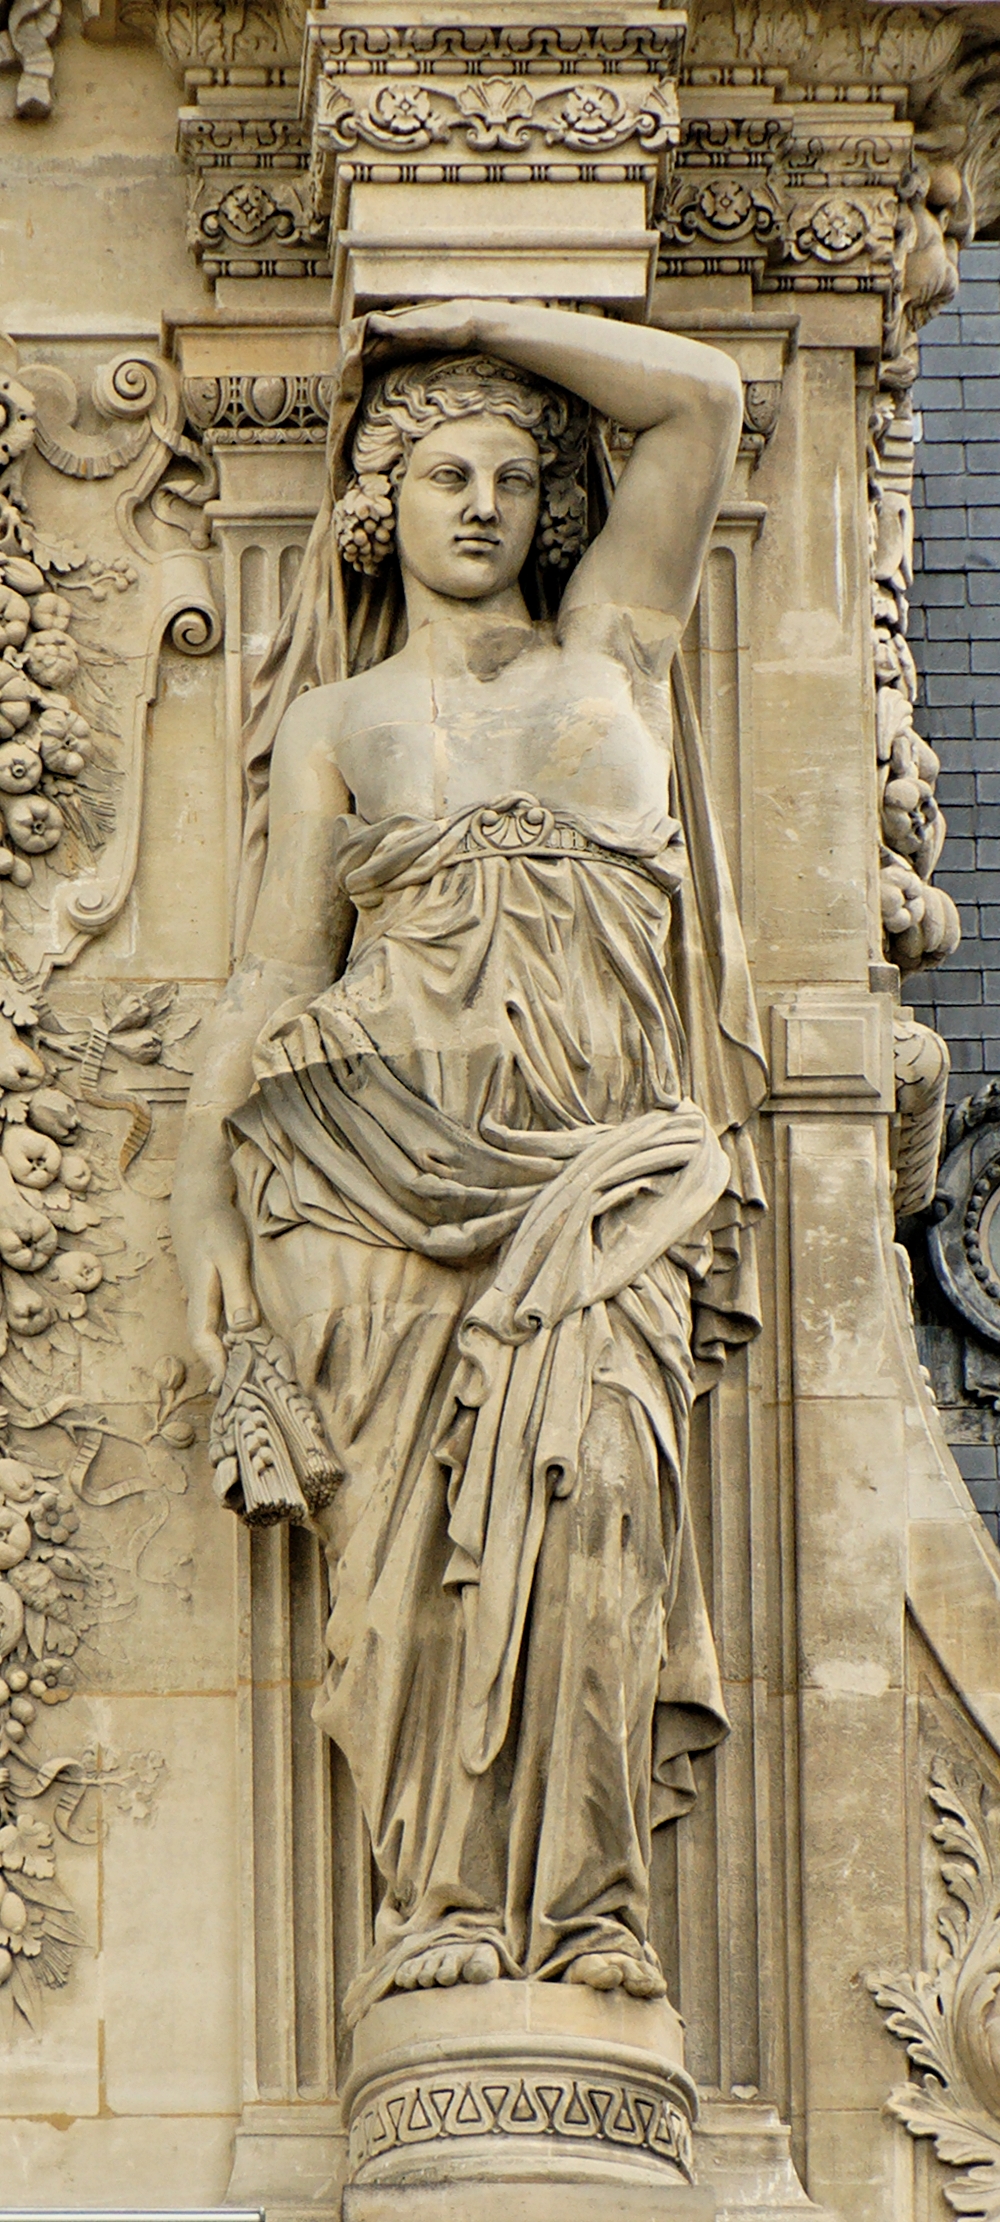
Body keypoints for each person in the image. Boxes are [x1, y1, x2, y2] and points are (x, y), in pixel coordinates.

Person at [171, 300, 766, 2024]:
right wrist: (203, 1194)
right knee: (409, 1572)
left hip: (597, 1188)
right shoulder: (340, 724)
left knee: (594, 1518)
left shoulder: (614, 655)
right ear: (381, 502)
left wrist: (470, 316)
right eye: (444, 469)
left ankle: (586, 1912)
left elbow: (709, 401)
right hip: (372, 1195)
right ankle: (437, 1897)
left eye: (514, 472)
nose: (485, 501)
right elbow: (275, 979)